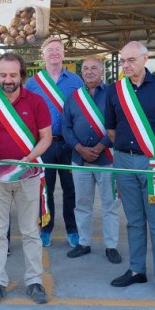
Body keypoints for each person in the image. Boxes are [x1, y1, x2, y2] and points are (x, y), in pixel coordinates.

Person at [105, 41, 155, 299]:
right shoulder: (116, 90)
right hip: (124, 162)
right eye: (123, 61)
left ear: (144, 59)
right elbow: (111, 128)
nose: (126, 65)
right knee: (134, 220)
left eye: (131, 60)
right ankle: (137, 269)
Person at [0, 52, 53, 305]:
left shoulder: (37, 102)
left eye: (13, 75)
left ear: (22, 76)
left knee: (30, 231)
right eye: (3, 75)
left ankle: (34, 281)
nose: (8, 80)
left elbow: (46, 137)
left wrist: (30, 158)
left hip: (28, 175)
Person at [62, 56, 122, 263]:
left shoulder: (113, 94)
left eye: (94, 68)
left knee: (110, 204)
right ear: (81, 72)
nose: (89, 71)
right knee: (82, 203)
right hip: (80, 159)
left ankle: (111, 246)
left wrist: (99, 146)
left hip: (107, 158)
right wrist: (80, 148)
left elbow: (118, 123)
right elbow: (66, 127)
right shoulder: (73, 97)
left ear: (102, 71)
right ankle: (84, 242)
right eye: (85, 68)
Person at [25, 37, 82, 247]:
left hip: (70, 144)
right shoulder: (33, 83)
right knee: (45, 189)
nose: (55, 53)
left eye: (58, 49)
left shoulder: (76, 81)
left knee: (70, 189)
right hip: (44, 144)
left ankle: (73, 229)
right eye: (50, 50)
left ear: (64, 54)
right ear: (43, 55)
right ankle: (46, 227)